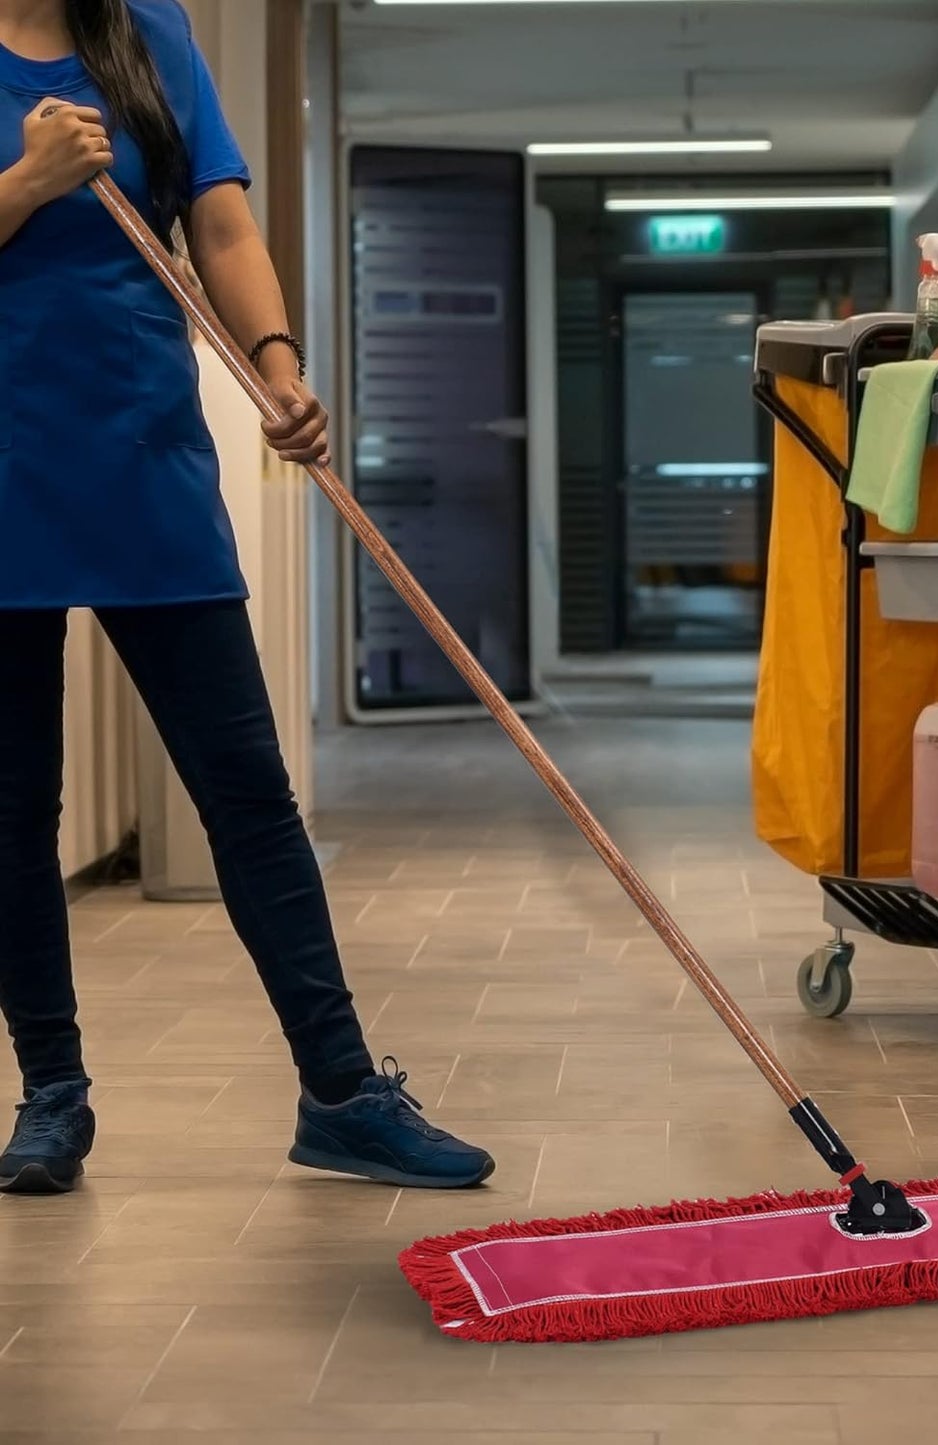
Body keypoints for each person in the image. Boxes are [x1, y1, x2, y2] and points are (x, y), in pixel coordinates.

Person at [0, 0, 494, 1193]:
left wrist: (279, 368)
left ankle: (341, 1092)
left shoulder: (151, 32)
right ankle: (51, 1095)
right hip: (4, 471)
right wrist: (27, 182)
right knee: (13, 807)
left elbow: (219, 222)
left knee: (249, 794)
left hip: (143, 454)